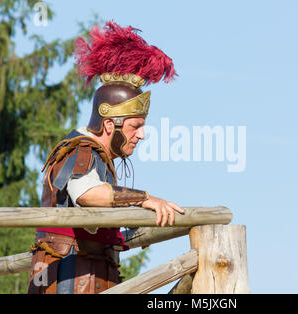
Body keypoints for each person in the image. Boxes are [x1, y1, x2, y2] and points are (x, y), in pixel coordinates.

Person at [27, 21, 184, 294]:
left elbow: (90, 225)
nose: (142, 135)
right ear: (110, 125)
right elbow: (88, 194)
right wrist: (146, 199)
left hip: (85, 274)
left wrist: (133, 229)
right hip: (71, 277)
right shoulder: (82, 149)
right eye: (135, 126)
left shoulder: (93, 153)